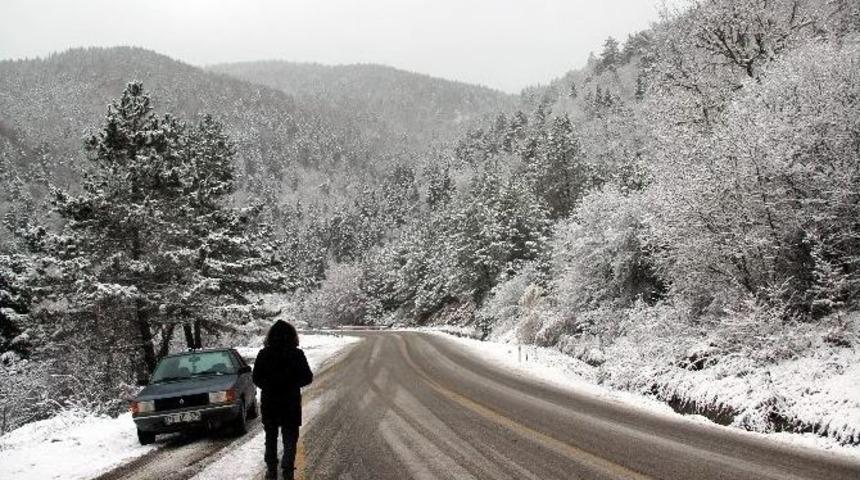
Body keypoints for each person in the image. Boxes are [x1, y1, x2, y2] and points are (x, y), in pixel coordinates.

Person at [252, 320, 313, 480]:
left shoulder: (264, 354)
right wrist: (292, 383)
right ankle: (287, 470)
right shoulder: (297, 354)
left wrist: (270, 385)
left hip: (270, 403)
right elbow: (307, 378)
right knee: (290, 438)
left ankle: (271, 470)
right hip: (290, 404)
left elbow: (256, 378)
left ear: (271, 336)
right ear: (292, 336)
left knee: (270, 437)